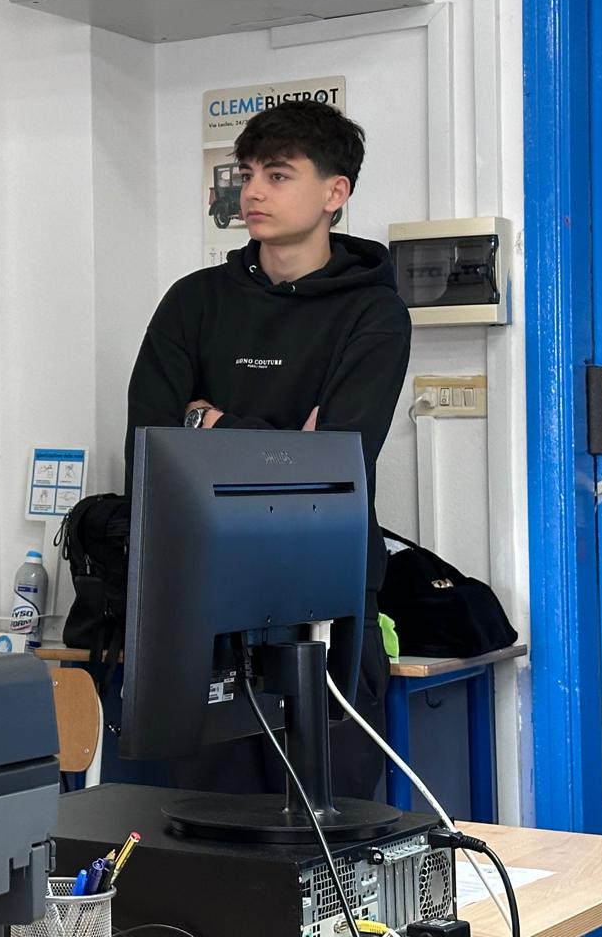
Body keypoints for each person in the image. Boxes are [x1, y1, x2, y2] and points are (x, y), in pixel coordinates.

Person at [124, 98, 410, 798]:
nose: (252, 192)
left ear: (335, 193)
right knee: (207, 823)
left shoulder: (374, 312)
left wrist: (211, 426)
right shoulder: (194, 302)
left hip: (327, 590)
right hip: (204, 593)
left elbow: (337, 457)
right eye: (247, 174)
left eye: (278, 175)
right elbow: (150, 447)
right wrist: (282, 443)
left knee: (328, 818)